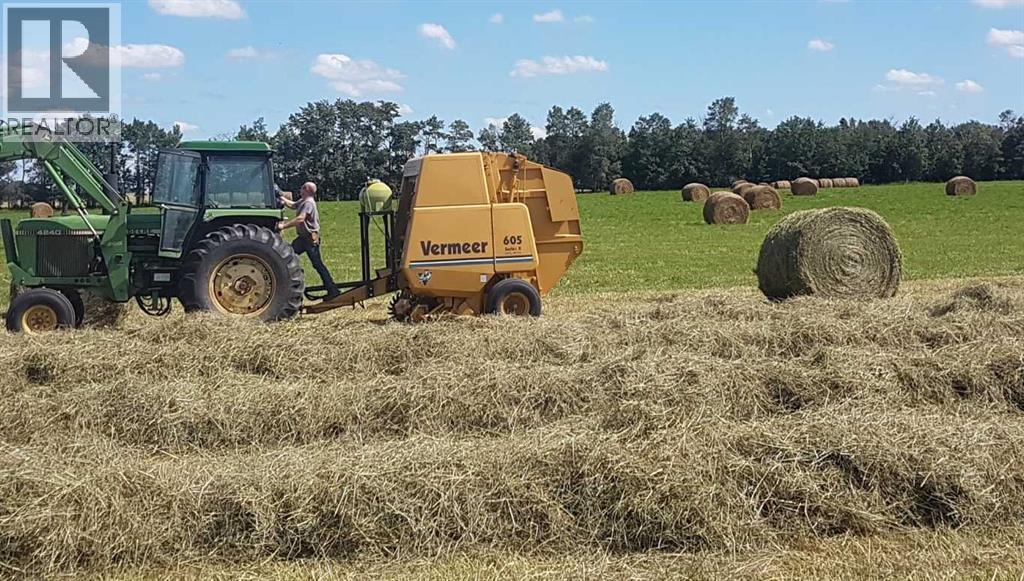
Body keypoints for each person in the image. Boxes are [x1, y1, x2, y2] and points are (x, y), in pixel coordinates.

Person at [277, 181, 340, 301]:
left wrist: (283, 226)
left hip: (310, 239)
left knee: (317, 264)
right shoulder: (303, 201)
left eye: (302, 188)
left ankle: (333, 290)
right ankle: (292, 279)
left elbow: (301, 219)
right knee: (287, 255)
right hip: (303, 238)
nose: (300, 190)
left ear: (306, 190)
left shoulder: (309, 203)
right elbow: (292, 205)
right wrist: (281, 197)